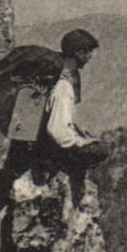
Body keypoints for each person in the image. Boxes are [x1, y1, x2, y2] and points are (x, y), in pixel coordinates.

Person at [18, 28, 109, 207]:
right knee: (99, 150)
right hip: (48, 146)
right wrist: (80, 142)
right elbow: (58, 131)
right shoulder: (64, 86)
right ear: (79, 53)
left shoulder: (55, 75)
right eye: (88, 52)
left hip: (38, 140)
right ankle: (56, 171)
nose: (90, 57)